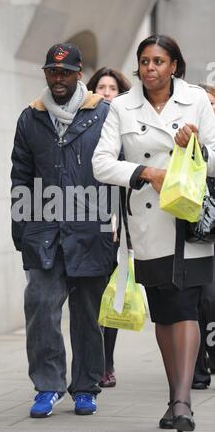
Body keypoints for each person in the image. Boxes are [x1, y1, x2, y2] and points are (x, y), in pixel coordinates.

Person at [92, 35, 215, 432]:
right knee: (165, 312)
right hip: (147, 225)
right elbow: (101, 164)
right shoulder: (121, 108)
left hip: (190, 221)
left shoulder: (196, 100)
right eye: (144, 61)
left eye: (159, 61)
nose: (150, 68)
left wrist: (196, 147)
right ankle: (174, 396)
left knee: (186, 306)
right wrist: (146, 172)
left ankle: (182, 403)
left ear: (174, 66)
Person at [11, 43, 114, 418]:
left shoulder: (102, 114)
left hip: (91, 230)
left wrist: (116, 226)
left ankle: (86, 387)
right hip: (43, 230)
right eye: (52, 73)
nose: (58, 79)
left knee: (87, 312)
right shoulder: (30, 117)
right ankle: (47, 386)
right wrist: (20, 229)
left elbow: (115, 171)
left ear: (79, 73)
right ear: (46, 74)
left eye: (65, 73)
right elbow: (20, 176)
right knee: (40, 307)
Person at [87, 68, 131, 389]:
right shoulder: (83, 125)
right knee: (91, 295)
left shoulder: (126, 127)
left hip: (118, 222)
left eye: (111, 88)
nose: (105, 92)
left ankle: (107, 362)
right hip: (88, 216)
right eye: (100, 87)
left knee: (112, 295)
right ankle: (92, 361)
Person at [191, 83, 215, 389]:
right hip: (195, 227)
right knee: (199, 298)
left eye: (213, 102)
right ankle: (197, 367)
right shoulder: (189, 136)